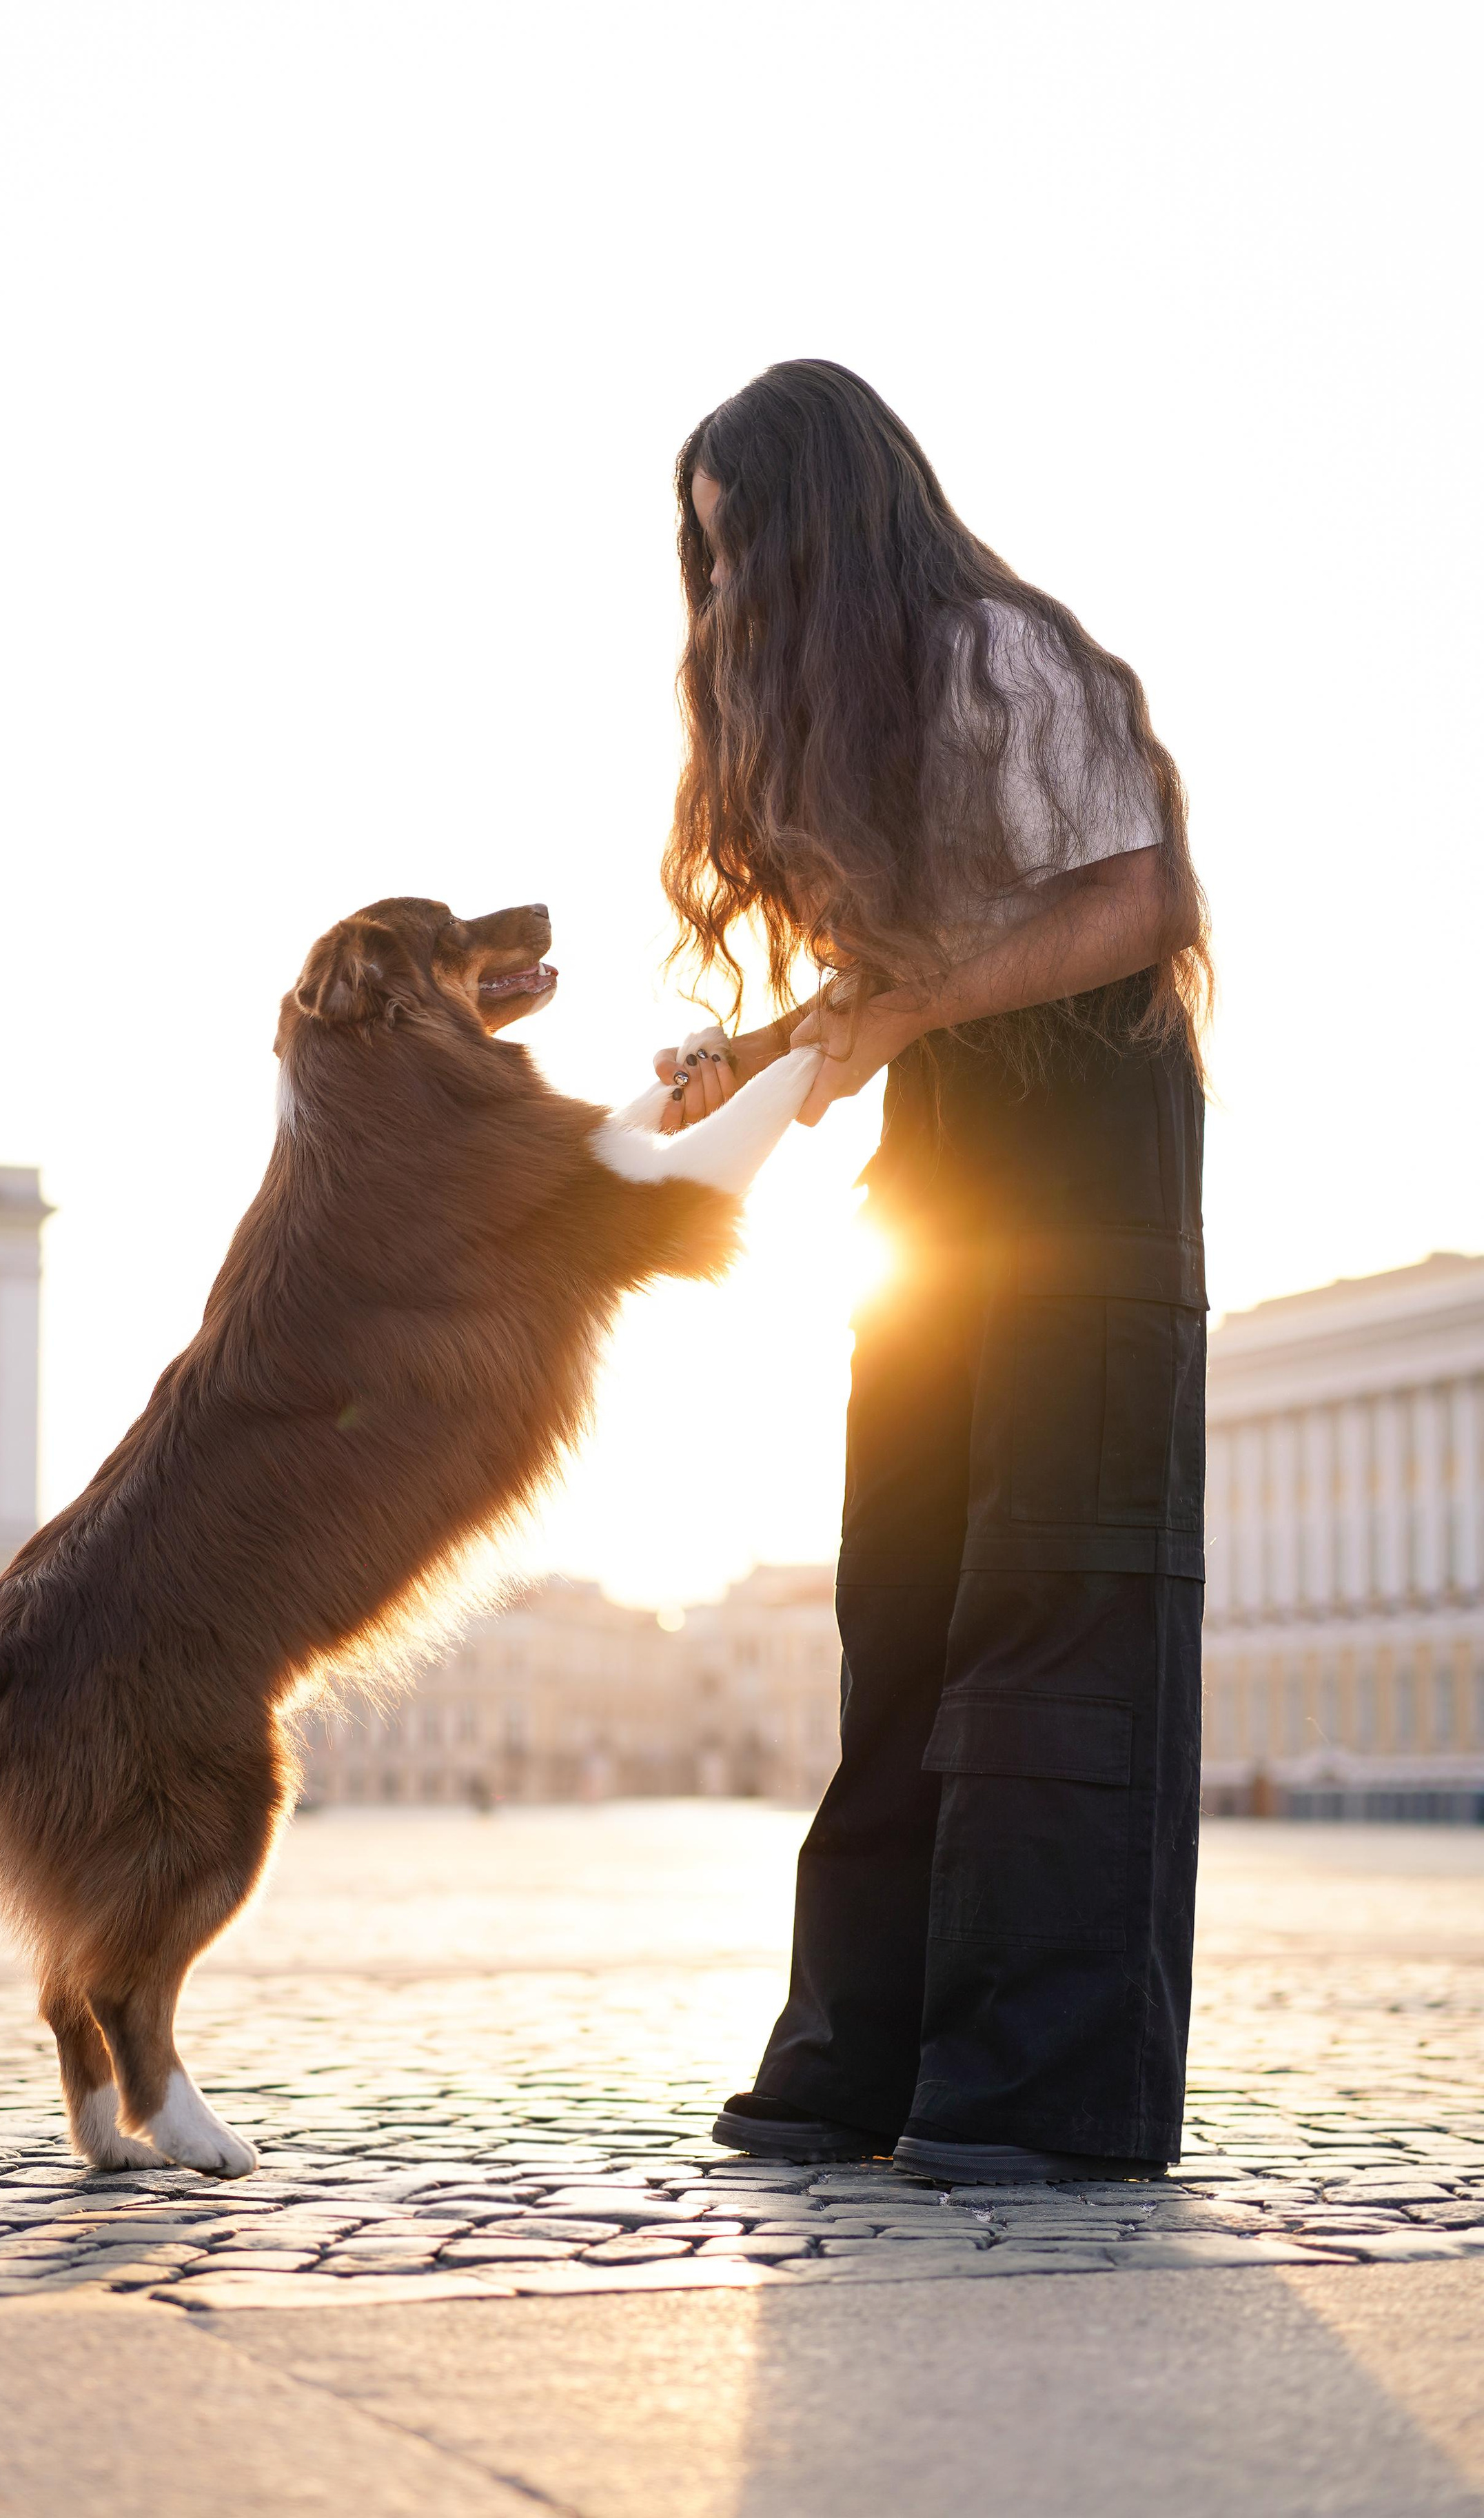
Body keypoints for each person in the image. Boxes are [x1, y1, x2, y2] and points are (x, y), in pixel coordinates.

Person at [653, 361, 1210, 2183]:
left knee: (1051, 1603)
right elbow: (928, 979)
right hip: (956, 1150)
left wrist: (895, 1010)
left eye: (747, 554)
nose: (726, 600)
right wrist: (768, 1056)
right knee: (900, 1595)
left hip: (1089, 1141)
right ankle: (863, 2062)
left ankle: (1037, 2085)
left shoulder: (995, 656)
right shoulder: (867, 714)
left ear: (835, 526)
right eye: (709, 563)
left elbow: (1131, 904)